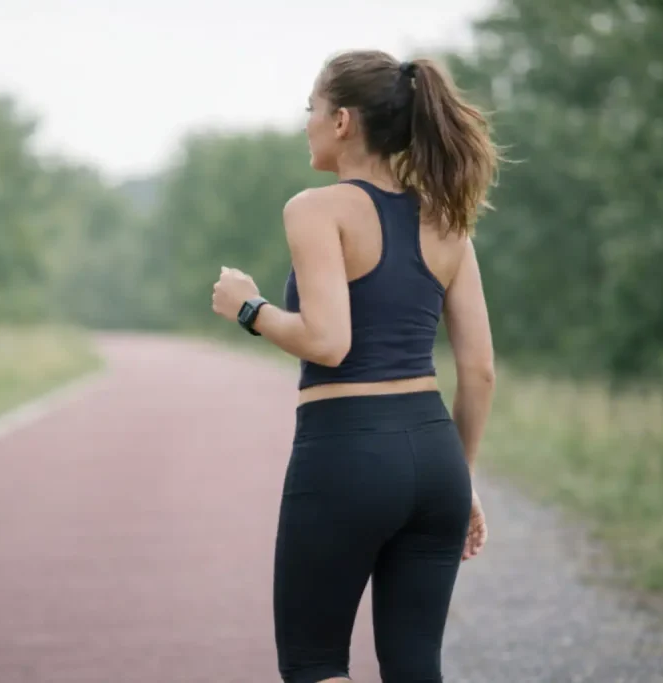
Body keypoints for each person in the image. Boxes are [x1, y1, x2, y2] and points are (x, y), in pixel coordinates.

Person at [210, 49, 498, 683]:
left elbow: (328, 341)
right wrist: (462, 475)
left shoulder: (317, 208)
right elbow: (478, 370)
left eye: (310, 108)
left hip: (347, 451)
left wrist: (247, 307)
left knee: (314, 664)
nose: (305, 122)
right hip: (436, 458)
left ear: (341, 120)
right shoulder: (447, 219)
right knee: (416, 665)